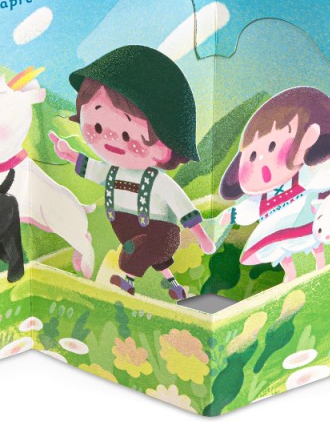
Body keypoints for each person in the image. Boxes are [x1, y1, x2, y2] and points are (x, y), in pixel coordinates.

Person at [51, 45, 215, 300]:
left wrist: (202, 238)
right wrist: (70, 155)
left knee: (132, 254)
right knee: (157, 262)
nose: (110, 139)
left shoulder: (158, 181)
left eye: (128, 135)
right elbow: (95, 170)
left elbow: (182, 206)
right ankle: (175, 287)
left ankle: (127, 283)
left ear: (166, 148)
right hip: (126, 225)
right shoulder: (113, 172)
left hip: (159, 232)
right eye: (97, 126)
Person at [216, 87, 330, 281]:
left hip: (304, 213)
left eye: (272, 146)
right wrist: (233, 215)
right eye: (252, 155)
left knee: (316, 238)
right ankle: (290, 274)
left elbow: (322, 173)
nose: (262, 161)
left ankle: (320, 264)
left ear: (308, 139)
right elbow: (249, 209)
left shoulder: (304, 176)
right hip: (275, 225)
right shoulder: (260, 198)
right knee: (279, 249)